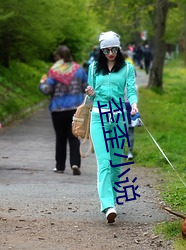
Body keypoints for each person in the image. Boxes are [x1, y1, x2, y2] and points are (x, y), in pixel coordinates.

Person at [85, 31, 138, 223]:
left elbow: (131, 90)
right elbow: (91, 97)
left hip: (119, 117)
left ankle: (113, 200)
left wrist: (133, 104)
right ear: (101, 50)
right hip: (99, 117)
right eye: (106, 50)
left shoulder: (127, 68)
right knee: (104, 163)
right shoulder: (93, 68)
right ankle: (108, 205)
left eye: (114, 49)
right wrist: (90, 92)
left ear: (119, 48)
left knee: (116, 164)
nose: (110, 53)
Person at [39, 45, 88, 175]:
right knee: (74, 137)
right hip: (75, 109)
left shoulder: (54, 71)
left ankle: (60, 166)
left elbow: (47, 90)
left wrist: (42, 83)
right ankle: (75, 163)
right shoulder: (79, 70)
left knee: (60, 138)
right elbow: (86, 87)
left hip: (58, 109)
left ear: (58, 57)